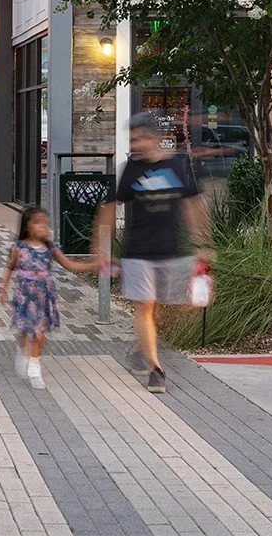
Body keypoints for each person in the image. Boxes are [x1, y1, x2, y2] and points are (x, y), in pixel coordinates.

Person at [96, 110, 212, 394]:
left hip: (169, 250)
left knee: (157, 307)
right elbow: (110, 205)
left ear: (155, 138)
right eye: (131, 140)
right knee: (144, 306)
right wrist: (102, 247)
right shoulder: (131, 169)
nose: (133, 145)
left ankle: (139, 348)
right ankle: (156, 370)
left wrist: (202, 243)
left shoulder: (178, 165)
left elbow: (192, 205)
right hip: (137, 251)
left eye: (137, 139)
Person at [0, 205, 98, 389]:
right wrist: (3, 287)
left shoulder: (50, 248)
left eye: (45, 223)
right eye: (37, 222)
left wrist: (92, 266)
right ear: (27, 226)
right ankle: (22, 348)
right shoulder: (19, 248)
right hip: (25, 295)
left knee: (39, 330)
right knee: (24, 329)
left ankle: (34, 367)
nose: (43, 226)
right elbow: (10, 267)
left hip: (44, 296)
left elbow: (69, 264)